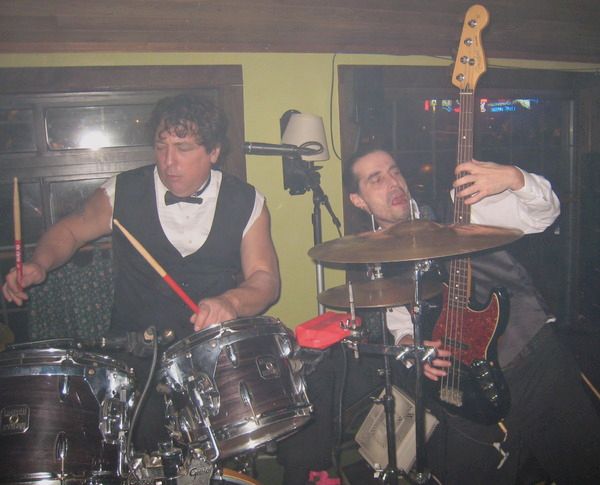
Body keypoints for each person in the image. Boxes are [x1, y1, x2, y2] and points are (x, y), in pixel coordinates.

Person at [2, 93, 281, 452]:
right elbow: (69, 232)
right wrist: (40, 263)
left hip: (208, 358)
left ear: (213, 152)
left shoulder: (247, 201)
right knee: (136, 453)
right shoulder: (123, 190)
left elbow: (265, 279)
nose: (168, 161)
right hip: (133, 355)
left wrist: (232, 301)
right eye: (161, 147)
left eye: (183, 148)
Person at [343, 146, 600, 484]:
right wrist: (410, 345)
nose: (393, 183)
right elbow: (398, 316)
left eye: (394, 171)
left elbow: (544, 214)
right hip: (466, 388)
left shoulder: (459, 208)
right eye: (376, 179)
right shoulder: (375, 256)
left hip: (533, 362)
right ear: (358, 200)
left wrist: (515, 178)